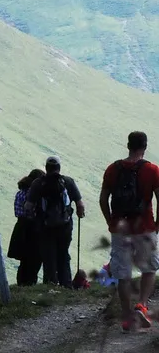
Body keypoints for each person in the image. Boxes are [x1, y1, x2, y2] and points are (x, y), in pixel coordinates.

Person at [98, 131, 159, 331]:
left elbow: (103, 200)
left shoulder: (112, 169)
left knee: (122, 274)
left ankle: (126, 317)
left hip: (119, 229)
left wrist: (110, 222)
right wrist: (157, 224)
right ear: (145, 147)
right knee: (149, 269)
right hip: (145, 228)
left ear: (128, 145)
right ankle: (141, 304)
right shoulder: (152, 170)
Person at [25, 157, 86, 287]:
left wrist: (33, 218)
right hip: (65, 226)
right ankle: (66, 284)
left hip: (45, 227)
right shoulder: (68, 181)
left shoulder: (38, 183)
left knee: (49, 255)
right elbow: (80, 205)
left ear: (46, 168)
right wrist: (79, 214)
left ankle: (50, 285)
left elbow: (28, 207)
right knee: (63, 253)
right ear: (59, 167)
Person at [8, 169, 45, 286]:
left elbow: (18, 213)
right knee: (35, 259)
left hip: (21, 228)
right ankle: (30, 283)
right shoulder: (33, 195)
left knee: (24, 260)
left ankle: (21, 284)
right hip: (33, 229)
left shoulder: (20, 193)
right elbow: (34, 213)